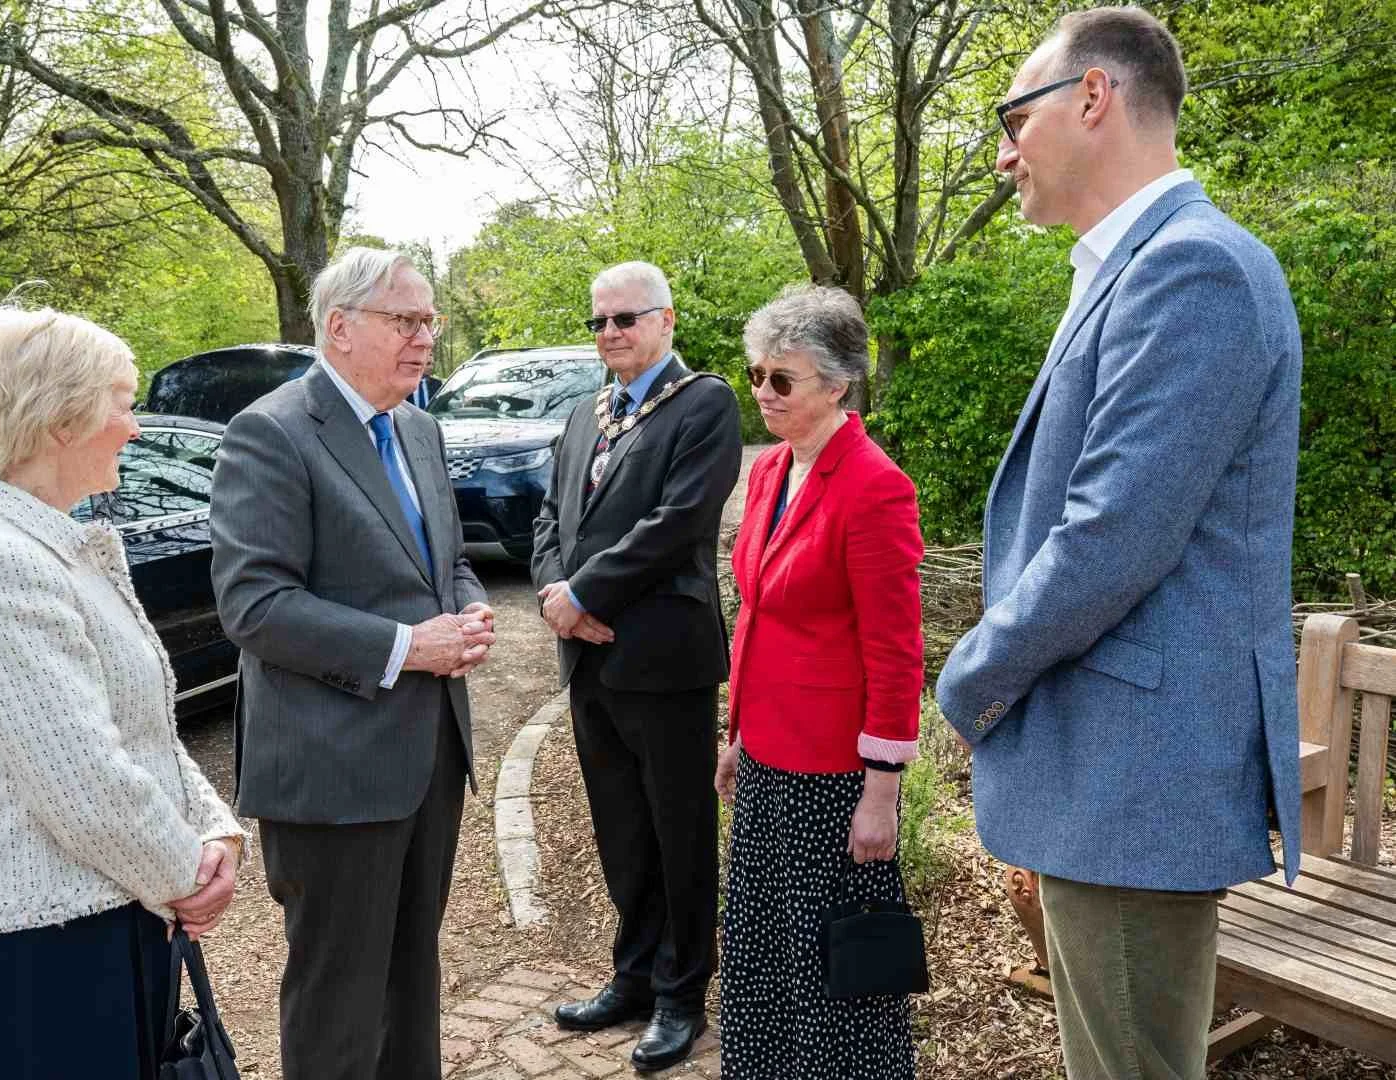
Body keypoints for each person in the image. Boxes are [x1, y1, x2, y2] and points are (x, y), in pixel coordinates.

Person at [936, 8, 1303, 1078]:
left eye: (1015, 116)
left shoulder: (1192, 270)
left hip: (1135, 780)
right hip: (1111, 771)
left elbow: (1109, 536)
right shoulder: (1130, 268)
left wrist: (970, 681)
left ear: (1092, 97)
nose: (1004, 153)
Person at [0, 304, 247, 1080]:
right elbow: (83, 781)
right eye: (123, 404)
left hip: (109, 919)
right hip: (50, 955)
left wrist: (214, 829)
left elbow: (139, 729)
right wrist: (186, 876)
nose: (136, 426)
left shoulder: (48, 543)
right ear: (62, 418)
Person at [210, 247, 495, 1080]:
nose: (426, 338)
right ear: (339, 328)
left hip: (428, 758)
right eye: (407, 320)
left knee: (412, 983)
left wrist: (470, 603)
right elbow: (255, 605)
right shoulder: (270, 432)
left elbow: (446, 557)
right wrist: (409, 647)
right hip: (332, 774)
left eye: (431, 320)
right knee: (339, 1005)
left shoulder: (418, 426)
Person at [532, 260, 742, 1072]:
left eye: (627, 318)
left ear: (667, 320)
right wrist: (557, 593)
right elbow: (554, 512)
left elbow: (676, 521)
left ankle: (684, 993)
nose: (611, 333)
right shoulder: (588, 411)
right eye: (599, 322)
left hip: (661, 659)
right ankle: (633, 976)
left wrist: (586, 592)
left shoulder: (704, 404)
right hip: (587, 660)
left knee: (678, 833)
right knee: (621, 829)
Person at [716, 285, 923, 1079]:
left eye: (781, 379)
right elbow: (757, 615)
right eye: (756, 374)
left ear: (837, 386)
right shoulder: (769, 471)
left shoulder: (875, 487)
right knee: (765, 954)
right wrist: (737, 736)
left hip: (835, 776)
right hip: (769, 760)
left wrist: (883, 791)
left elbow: (896, 653)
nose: (762, 392)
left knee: (834, 970)